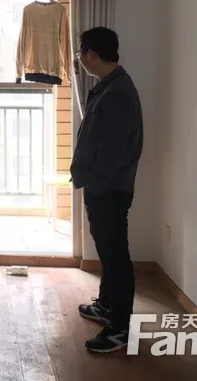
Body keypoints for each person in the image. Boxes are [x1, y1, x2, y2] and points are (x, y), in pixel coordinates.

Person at [70, 27, 144, 353]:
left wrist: (96, 184)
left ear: (91, 55)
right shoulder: (110, 85)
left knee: (116, 257)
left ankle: (119, 329)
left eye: (80, 53)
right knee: (108, 251)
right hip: (105, 186)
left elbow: (113, 152)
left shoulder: (116, 93)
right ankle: (106, 305)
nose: (80, 60)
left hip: (109, 189)